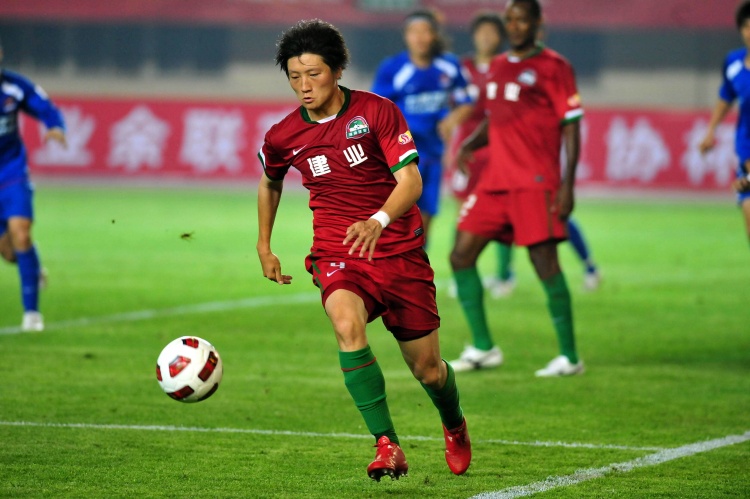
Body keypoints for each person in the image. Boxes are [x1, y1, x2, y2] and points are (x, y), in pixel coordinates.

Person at [256, 19, 471, 481]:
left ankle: (454, 423)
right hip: (337, 251)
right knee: (346, 325)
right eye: (295, 77)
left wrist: (378, 221)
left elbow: (411, 181)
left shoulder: (377, 112)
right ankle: (386, 444)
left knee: (429, 372)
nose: (304, 86)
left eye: (314, 74)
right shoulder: (283, 135)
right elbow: (270, 181)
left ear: (337, 70)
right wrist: (264, 244)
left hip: (399, 252)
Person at [448, 0, 584, 377]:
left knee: (545, 264)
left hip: (534, 182)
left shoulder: (554, 67)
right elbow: (495, 118)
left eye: (522, 19)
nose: (514, 25)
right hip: (495, 181)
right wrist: (470, 143)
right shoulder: (498, 65)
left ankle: (570, 357)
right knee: (460, 256)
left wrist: (567, 184)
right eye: (509, 19)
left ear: (537, 23)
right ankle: (483, 347)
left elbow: (571, 125)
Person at [371, 9, 473, 241]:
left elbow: (467, 101)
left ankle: (416, 263)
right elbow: (375, 110)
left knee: (423, 224)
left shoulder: (449, 66)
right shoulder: (393, 68)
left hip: (433, 154)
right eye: (413, 32)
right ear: (405, 36)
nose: (419, 37)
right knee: (395, 219)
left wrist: (452, 120)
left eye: (425, 31)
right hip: (399, 156)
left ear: (435, 35)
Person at [0, 37, 66, 332]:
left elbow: (45, 107)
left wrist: (55, 126)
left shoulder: (13, 87)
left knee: (21, 233)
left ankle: (32, 315)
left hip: (12, 172)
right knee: (10, 252)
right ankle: (33, 266)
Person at [699, 0, 750, 244]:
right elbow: (726, 97)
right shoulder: (733, 63)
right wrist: (711, 131)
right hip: (746, 153)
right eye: (747, 27)